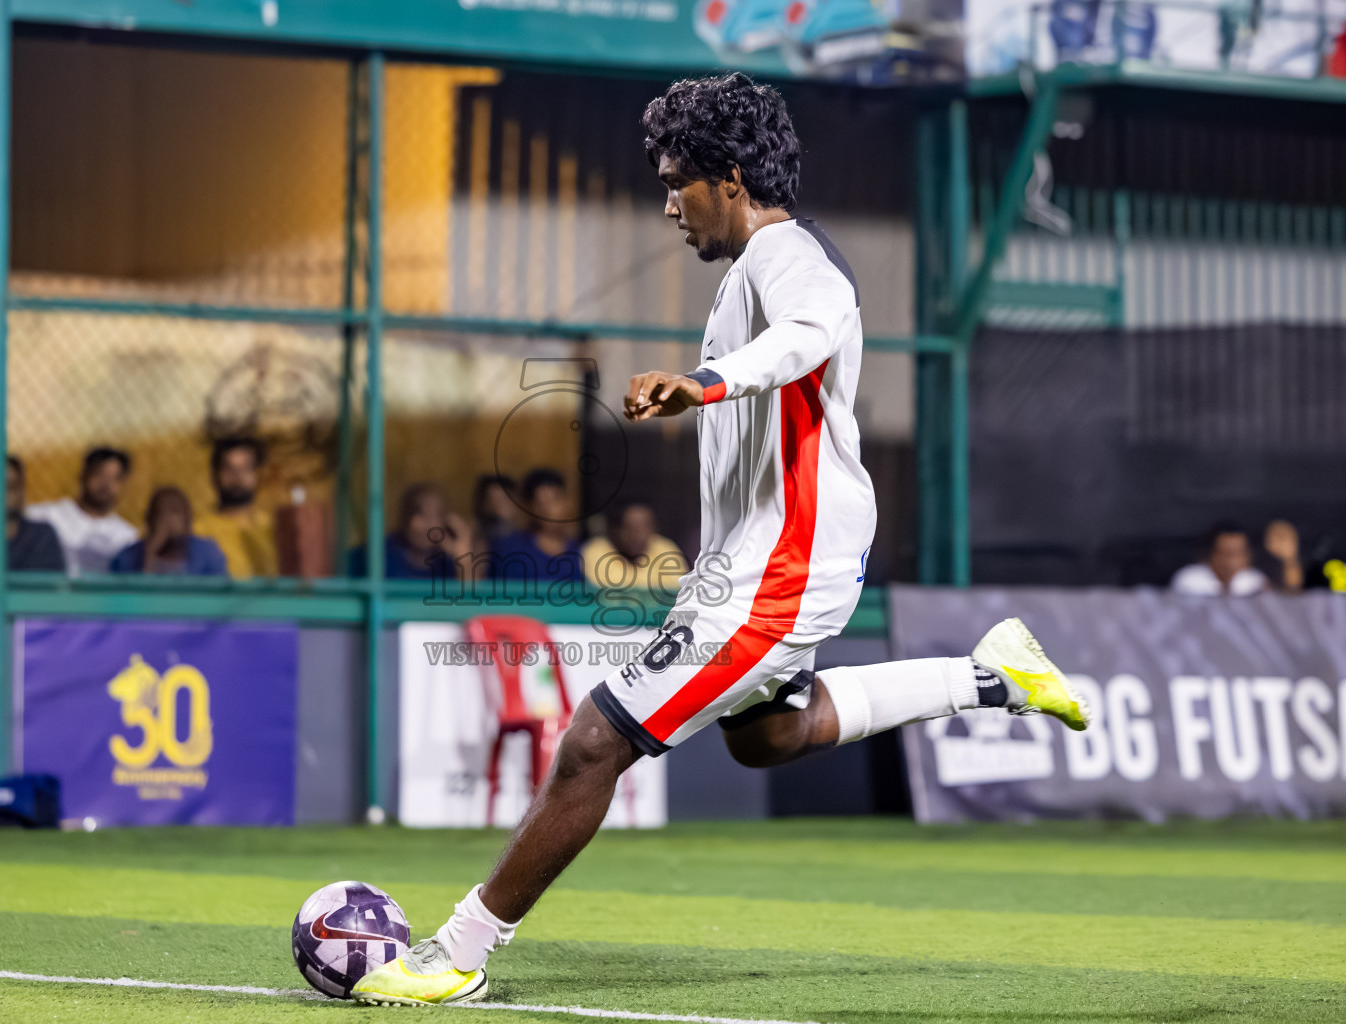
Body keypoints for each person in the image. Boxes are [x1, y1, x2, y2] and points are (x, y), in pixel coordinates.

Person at [352, 73, 1091, 1006]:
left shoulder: (789, 255)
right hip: (767, 562)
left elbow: (810, 332)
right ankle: (992, 676)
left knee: (592, 741)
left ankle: (458, 953)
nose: (669, 205)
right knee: (772, 735)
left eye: (677, 183)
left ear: (730, 179)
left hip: (780, 571)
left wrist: (704, 383)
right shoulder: (751, 270)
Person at [26, 447, 138, 575]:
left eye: (115, 478)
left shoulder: (127, 537)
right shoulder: (44, 516)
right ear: (83, 475)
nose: (106, 484)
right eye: (99, 474)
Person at [347, 481, 473, 580]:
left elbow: (466, 599)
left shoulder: (447, 561)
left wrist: (463, 562)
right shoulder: (378, 552)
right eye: (413, 513)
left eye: (430, 516)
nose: (416, 524)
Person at [194, 437, 278, 579]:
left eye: (246, 469)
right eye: (228, 468)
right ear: (214, 475)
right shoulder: (198, 532)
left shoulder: (274, 529)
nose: (237, 476)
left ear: (258, 475)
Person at [485, 469, 584, 584]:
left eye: (554, 499)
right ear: (530, 507)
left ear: (566, 503)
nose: (547, 510)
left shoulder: (583, 550)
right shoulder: (509, 550)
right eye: (539, 503)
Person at [109, 487, 227, 576]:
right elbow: (131, 596)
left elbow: (219, 595)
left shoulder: (208, 554)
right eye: (160, 512)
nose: (167, 519)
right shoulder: (127, 557)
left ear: (188, 519)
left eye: (175, 511)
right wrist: (150, 552)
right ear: (149, 518)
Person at [580, 499, 686, 593]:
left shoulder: (665, 547)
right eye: (631, 529)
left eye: (645, 527)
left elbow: (676, 590)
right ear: (615, 530)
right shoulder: (595, 550)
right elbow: (609, 591)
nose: (639, 536)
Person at [1170, 521, 1269, 596]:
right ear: (1209, 554)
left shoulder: (1256, 582)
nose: (1230, 561)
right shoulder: (1189, 580)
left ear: (1248, 556)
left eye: (1236, 554)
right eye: (1224, 553)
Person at [472, 474, 519, 554]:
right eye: (490, 500)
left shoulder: (531, 540)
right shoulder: (473, 538)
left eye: (503, 501)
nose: (496, 507)